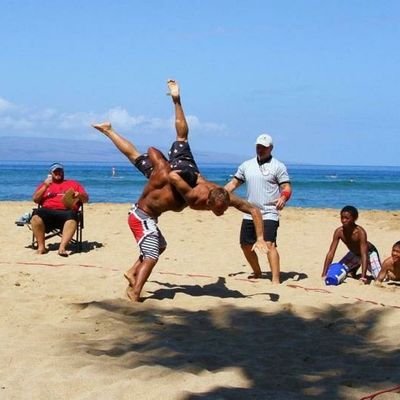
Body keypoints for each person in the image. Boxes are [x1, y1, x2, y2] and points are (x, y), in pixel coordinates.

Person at [92, 79, 268, 301]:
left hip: (186, 177)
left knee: (136, 157)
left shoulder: (224, 196)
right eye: (219, 210)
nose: (222, 213)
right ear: (210, 202)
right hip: (174, 180)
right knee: (153, 253)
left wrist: (260, 237)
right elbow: (174, 176)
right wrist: (162, 164)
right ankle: (135, 292)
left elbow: (253, 210)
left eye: (224, 209)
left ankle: (109, 130)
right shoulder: (194, 197)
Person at [221, 134, 292, 284]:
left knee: (269, 244)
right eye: (258, 147)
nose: (260, 150)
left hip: (269, 212)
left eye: (264, 147)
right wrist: (220, 195)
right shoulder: (247, 165)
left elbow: (286, 187)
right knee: (246, 245)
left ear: (270, 148)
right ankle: (257, 272)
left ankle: (275, 279)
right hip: (250, 212)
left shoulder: (278, 166)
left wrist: (283, 197)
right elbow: (233, 184)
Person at [31, 163, 89, 256]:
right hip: (48, 212)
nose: (58, 173)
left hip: (66, 212)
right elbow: (35, 199)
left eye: (60, 171)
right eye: (55, 172)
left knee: (72, 216)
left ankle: (62, 248)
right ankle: (41, 247)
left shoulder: (73, 184)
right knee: (36, 216)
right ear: (51, 174)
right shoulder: (45, 185)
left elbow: (86, 200)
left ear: (63, 172)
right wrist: (45, 186)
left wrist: (79, 195)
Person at [322, 205, 382, 284]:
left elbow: (364, 254)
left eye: (347, 218)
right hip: (354, 253)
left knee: (379, 277)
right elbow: (331, 253)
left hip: (369, 253)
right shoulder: (339, 232)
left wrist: (363, 277)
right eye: (342, 218)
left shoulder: (360, 232)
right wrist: (324, 273)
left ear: (354, 219)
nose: (343, 220)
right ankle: (354, 269)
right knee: (339, 270)